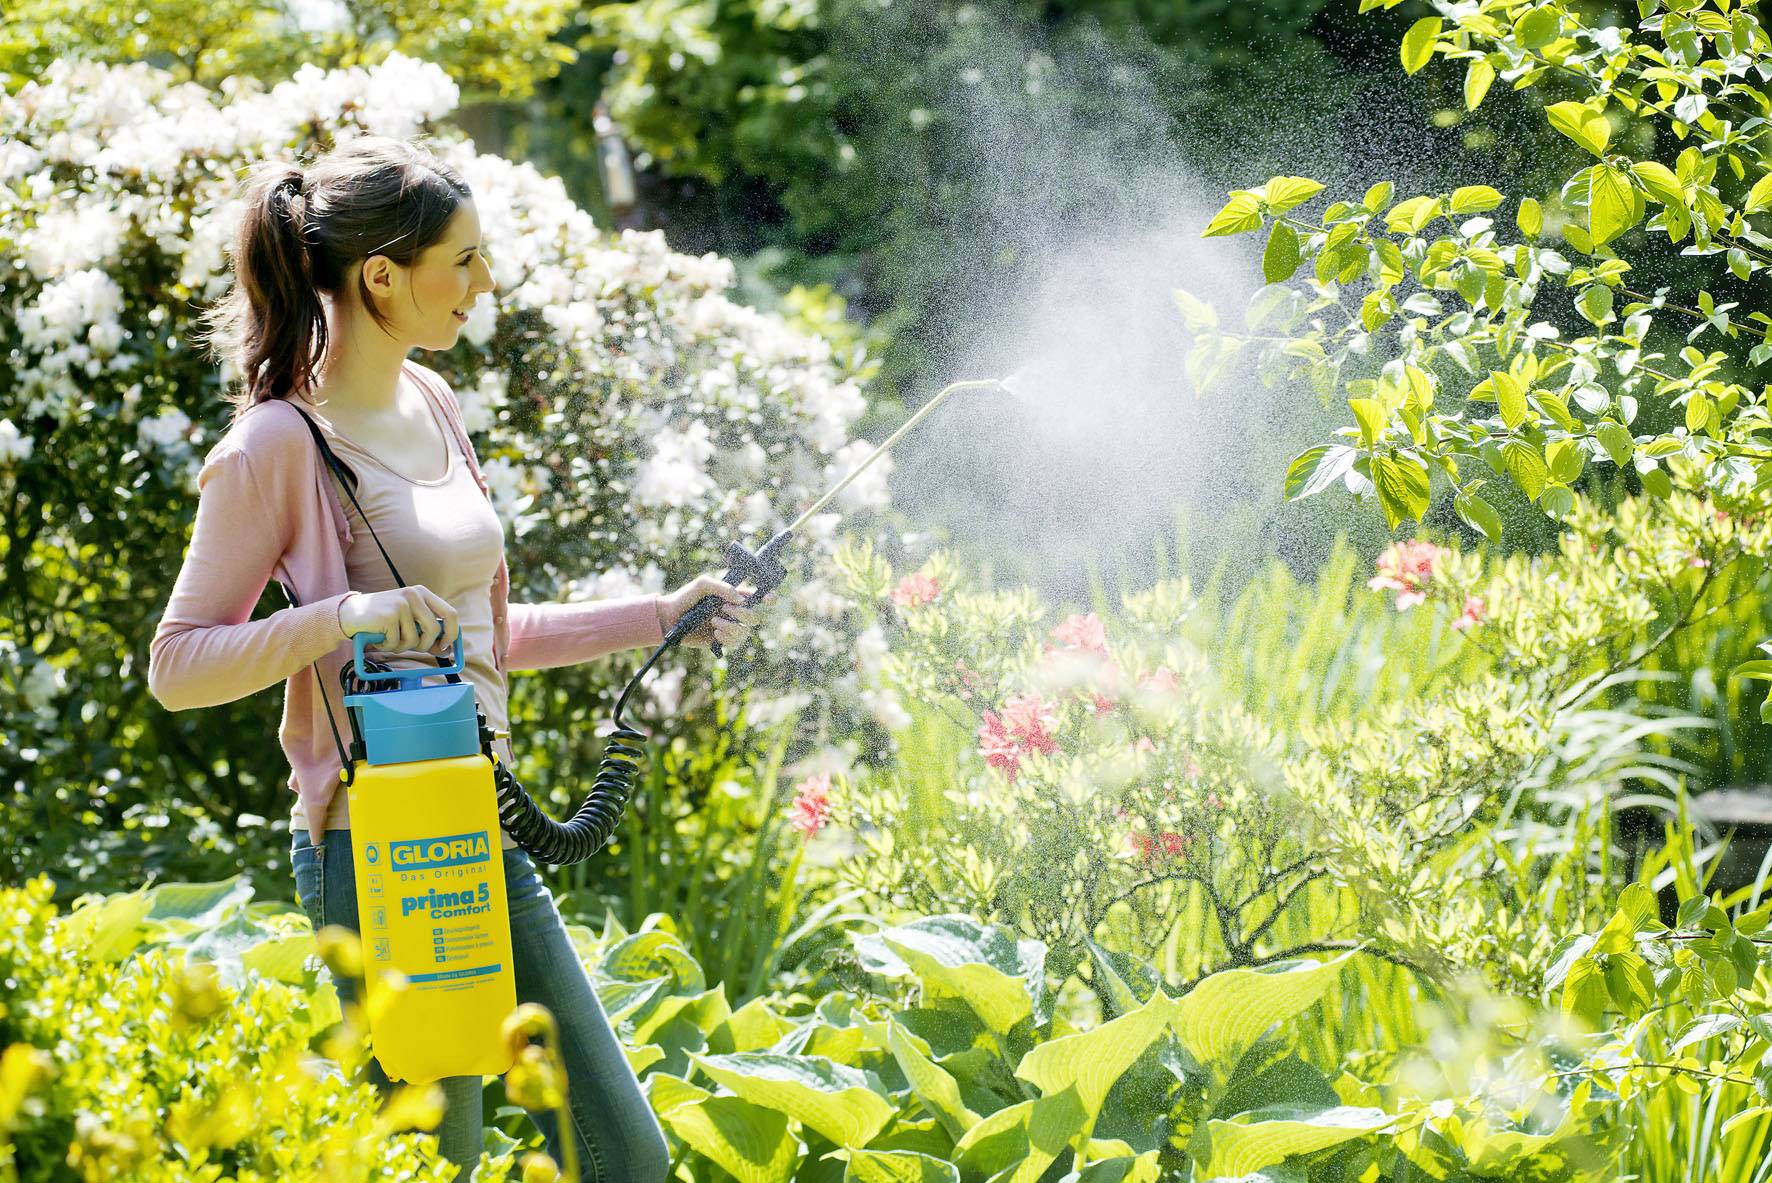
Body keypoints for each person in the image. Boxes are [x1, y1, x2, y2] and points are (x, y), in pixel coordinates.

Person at [147, 133, 756, 1181]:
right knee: (443, 1158)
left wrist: (660, 614)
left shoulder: (433, 403)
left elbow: (477, 637)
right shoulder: (275, 444)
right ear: (382, 276)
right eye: (464, 260)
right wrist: (345, 617)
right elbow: (178, 664)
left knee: (624, 1154)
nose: (486, 281)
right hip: (376, 848)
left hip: (482, 817)